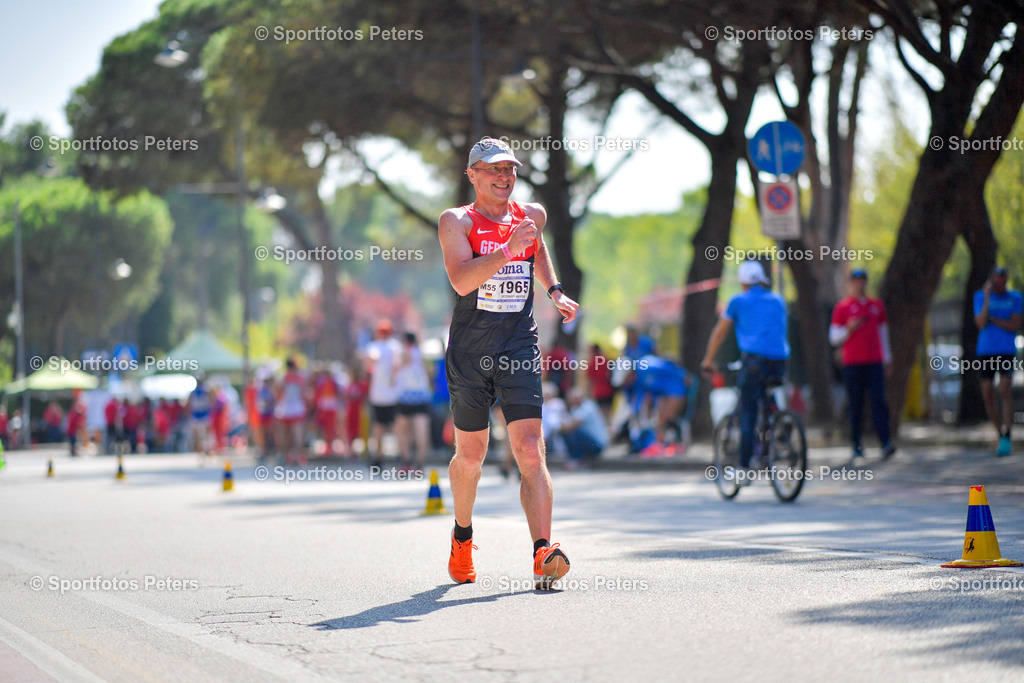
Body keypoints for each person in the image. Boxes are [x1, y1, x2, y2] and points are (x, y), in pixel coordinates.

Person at [438, 136, 579, 589]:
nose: (504, 177)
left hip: (518, 344)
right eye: (494, 169)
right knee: (472, 454)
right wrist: (504, 249)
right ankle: (462, 536)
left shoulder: (530, 216)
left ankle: (543, 552)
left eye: (511, 169)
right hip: (470, 349)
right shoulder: (456, 221)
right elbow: (461, 281)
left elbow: (537, 251)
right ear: (473, 175)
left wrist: (554, 291)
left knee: (529, 448)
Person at [701, 261, 789, 484]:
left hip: (753, 362)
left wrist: (709, 360)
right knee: (767, 398)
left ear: (742, 282)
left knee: (747, 412)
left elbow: (719, 332)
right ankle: (781, 432)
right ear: (762, 280)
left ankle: (743, 468)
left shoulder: (738, 301)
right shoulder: (778, 300)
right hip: (780, 362)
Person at [830, 268, 896, 463]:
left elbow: (883, 333)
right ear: (850, 283)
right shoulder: (842, 307)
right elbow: (833, 338)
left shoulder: (876, 305)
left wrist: (887, 358)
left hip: (874, 361)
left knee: (878, 402)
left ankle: (885, 442)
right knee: (855, 404)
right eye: (856, 280)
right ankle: (856, 446)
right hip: (852, 363)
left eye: (862, 280)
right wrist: (848, 329)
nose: (859, 284)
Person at [974, 265, 1022, 457]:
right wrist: (987, 298)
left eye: (1002, 280)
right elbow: (981, 322)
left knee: (1005, 389)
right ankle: (999, 434)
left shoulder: (1015, 297)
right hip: (985, 351)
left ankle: (1008, 434)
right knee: (987, 393)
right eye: (996, 281)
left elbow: (1014, 325)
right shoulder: (980, 296)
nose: (999, 284)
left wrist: (995, 319)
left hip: (1006, 351)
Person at [365, 320, 402, 468]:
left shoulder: (374, 346)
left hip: (378, 395)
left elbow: (370, 361)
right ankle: (400, 456)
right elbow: (398, 364)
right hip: (394, 394)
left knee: (378, 427)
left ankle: (377, 459)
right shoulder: (396, 347)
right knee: (396, 427)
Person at [395, 332, 433, 472]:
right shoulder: (421, 354)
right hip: (422, 395)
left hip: (405, 395)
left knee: (403, 430)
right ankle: (420, 464)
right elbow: (429, 373)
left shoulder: (404, 353)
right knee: (421, 429)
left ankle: (406, 461)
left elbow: (396, 370)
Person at [558, 387, 608, 464]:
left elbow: (572, 425)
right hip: (588, 441)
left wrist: (562, 427)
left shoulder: (588, 406)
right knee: (568, 432)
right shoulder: (575, 409)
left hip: (597, 444)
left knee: (573, 432)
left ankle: (577, 459)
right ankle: (575, 458)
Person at [276, 357, 309, 465]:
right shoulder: (301, 377)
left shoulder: (283, 378)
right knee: (297, 433)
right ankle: (298, 456)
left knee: (286, 434)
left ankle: (287, 456)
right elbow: (305, 392)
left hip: (285, 408)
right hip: (297, 408)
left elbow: (278, 392)